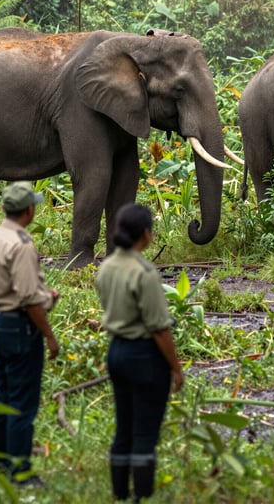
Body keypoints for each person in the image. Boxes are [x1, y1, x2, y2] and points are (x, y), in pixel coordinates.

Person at [96, 203, 184, 502]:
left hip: (116, 351)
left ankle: (121, 495)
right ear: (145, 234)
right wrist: (175, 367)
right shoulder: (144, 273)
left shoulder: (106, 267)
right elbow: (159, 327)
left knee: (124, 427)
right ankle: (142, 496)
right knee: (145, 430)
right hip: (143, 354)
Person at [0, 181, 60, 488]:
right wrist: (49, 335)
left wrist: (42, 294)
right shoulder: (21, 244)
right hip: (20, 326)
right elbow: (28, 300)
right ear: (29, 210)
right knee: (23, 403)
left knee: (4, 394)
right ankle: (20, 470)